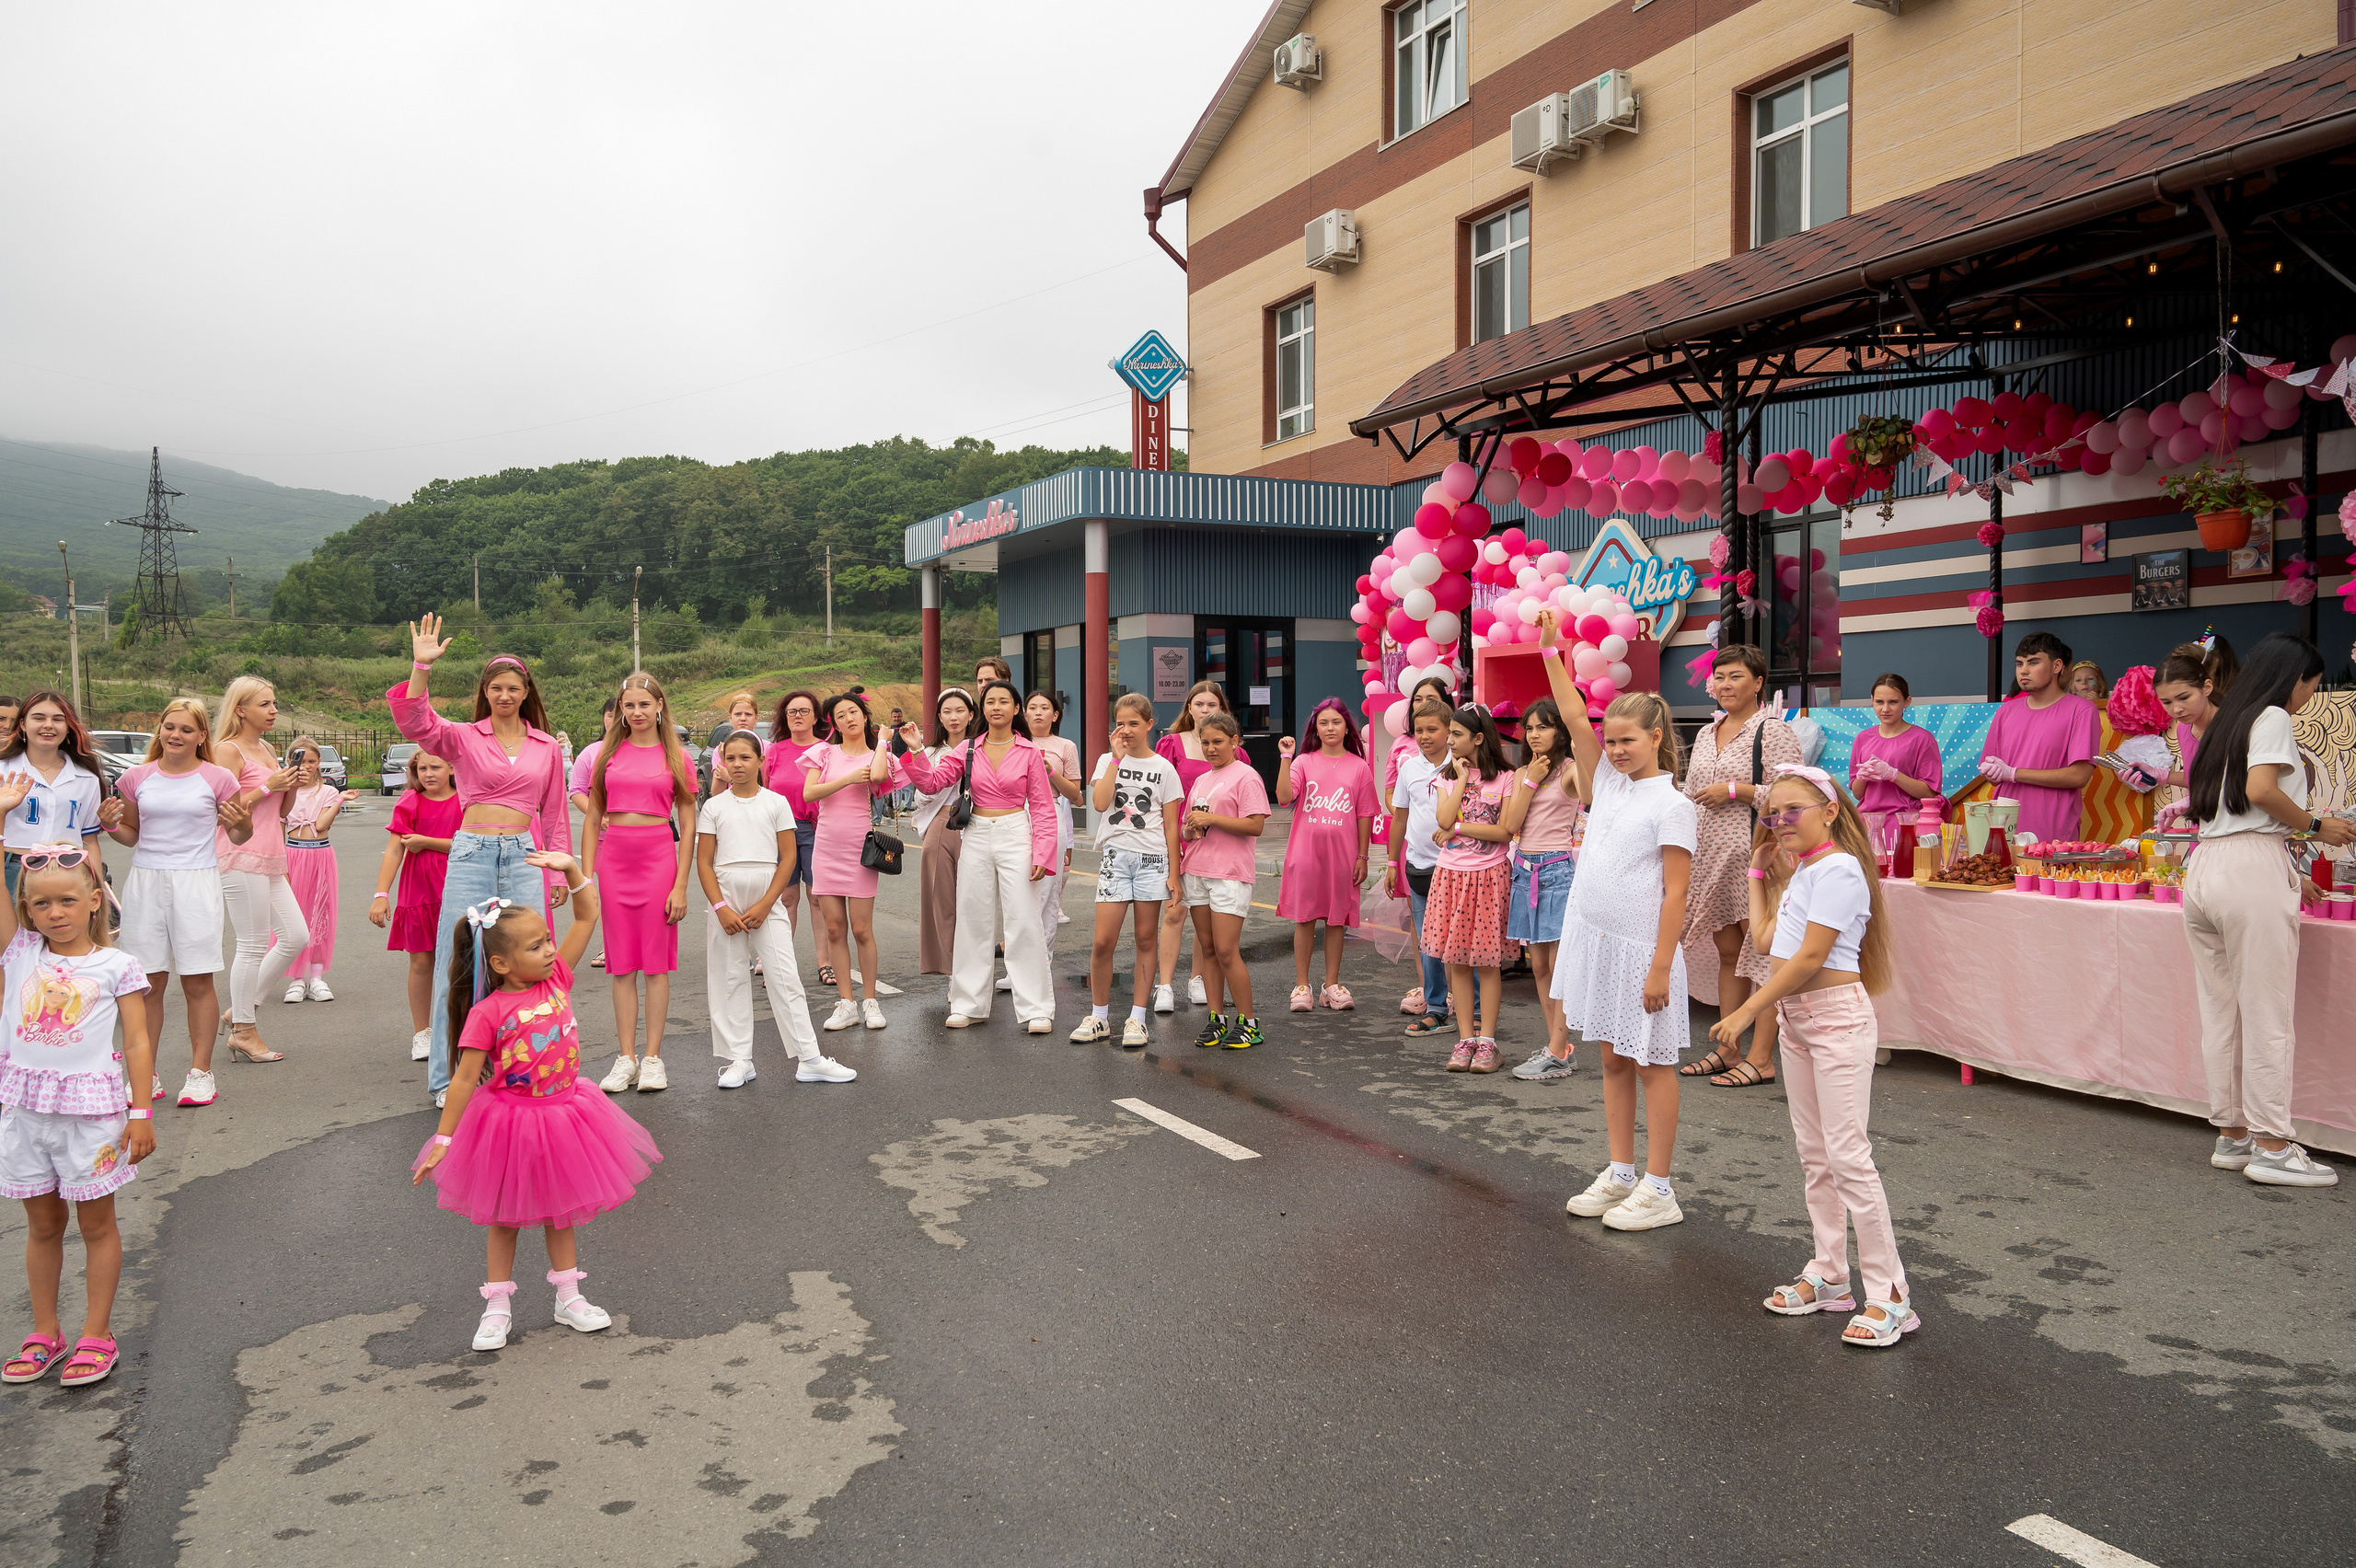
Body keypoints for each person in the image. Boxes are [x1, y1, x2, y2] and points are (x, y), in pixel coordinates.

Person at [412, 860, 662, 1352]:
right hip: (512, 1122)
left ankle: (568, 1297)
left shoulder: (557, 980)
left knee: (560, 1211)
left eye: (547, 941)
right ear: (501, 964)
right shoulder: (488, 1012)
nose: (549, 951)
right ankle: (496, 1307)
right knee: (504, 1217)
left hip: (568, 1112)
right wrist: (443, 1139)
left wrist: (571, 870)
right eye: (535, 946)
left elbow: (587, 916)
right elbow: (464, 1079)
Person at [1707, 766, 1914, 1344]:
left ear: (1830, 811)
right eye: (1774, 813)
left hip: (1836, 1021)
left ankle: (1890, 1294)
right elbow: (1769, 941)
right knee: (1815, 1155)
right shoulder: (1804, 872)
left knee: (1849, 1156)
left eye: (1793, 809)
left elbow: (1808, 959)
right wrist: (1756, 869)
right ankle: (1830, 1275)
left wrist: (1749, 1012)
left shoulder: (1842, 869)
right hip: (1801, 1023)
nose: (1781, 820)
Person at [1537, 610, 1696, 1232]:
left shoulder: (1673, 804)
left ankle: (1660, 1186)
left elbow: (1676, 894)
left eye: (1629, 740)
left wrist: (1660, 966)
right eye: (1612, 739)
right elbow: (1575, 717)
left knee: (1654, 1064)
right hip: (1596, 941)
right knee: (1610, 1059)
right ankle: (1622, 1172)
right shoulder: (1605, 780)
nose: (1616, 747)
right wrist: (1553, 654)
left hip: (1641, 953)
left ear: (1657, 738)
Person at [2177, 632, 2355, 1188]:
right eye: (2313, 685)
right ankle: (2274, 1146)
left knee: (2221, 1010)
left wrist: (2287, 867)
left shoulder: (2225, 720)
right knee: (2266, 1013)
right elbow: (2261, 792)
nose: (2310, 696)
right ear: (2295, 679)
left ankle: (2234, 1136)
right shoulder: (2273, 715)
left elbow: (2230, 810)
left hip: (2207, 868)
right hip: (2249, 869)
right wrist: (2317, 826)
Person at [390, 620, 573, 1110]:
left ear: (526, 691)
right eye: (496, 688)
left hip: (524, 855)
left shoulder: (547, 747)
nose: (505, 695)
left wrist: (557, 870)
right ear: (485, 692)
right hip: (470, 851)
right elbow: (415, 722)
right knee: (460, 962)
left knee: (530, 959)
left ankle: (527, 1065)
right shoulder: (463, 737)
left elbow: (554, 815)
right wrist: (421, 666)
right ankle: (446, 1080)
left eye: (514, 688)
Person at [0, 843, 154, 1389]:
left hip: (90, 1117)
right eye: (40, 905)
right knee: (42, 1225)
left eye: (67, 900)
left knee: (95, 1224)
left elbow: (137, 1043)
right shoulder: (19, 954)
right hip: (24, 1113)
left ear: (94, 900)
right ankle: (45, 1331)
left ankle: (97, 1332)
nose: (55, 913)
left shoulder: (117, 966)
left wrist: (141, 1112)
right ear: (27, 910)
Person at [98, 698, 251, 1109]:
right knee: (147, 983)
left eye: (186, 729)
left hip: (195, 882)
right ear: (160, 731)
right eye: (169, 727)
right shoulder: (135, 777)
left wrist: (242, 825)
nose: (176, 735)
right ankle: (143, 1075)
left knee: (197, 980)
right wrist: (111, 825)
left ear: (203, 736)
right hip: (146, 881)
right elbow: (131, 834)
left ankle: (200, 1073)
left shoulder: (218, 778)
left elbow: (238, 836)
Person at [697, 732, 855, 1089]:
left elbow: (788, 858)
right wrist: (720, 906)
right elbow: (704, 863)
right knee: (729, 977)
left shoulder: (776, 803)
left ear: (760, 761)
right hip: (725, 892)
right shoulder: (714, 806)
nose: (738, 765)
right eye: (731, 758)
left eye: (745, 758)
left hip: (768, 894)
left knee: (784, 974)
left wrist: (768, 903)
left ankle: (810, 1058)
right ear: (723, 762)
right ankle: (740, 1059)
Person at [897, 682, 1058, 1031]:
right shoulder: (969, 748)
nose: (996, 707)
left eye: (1004, 701)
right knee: (973, 919)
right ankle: (968, 1004)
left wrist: (1044, 854)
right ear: (982, 710)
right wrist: (915, 751)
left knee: (1023, 921)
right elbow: (931, 783)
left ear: (1017, 709)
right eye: (990, 702)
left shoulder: (1030, 752)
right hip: (976, 834)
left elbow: (1044, 808)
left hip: (1017, 832)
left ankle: (1036, 1009)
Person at [1679, 647, 1801, 1090]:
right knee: (1729, 953)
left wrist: (1738, 789)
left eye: (1735, 677)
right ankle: (1727, 1048)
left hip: (1758, 856)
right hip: (1712, 857)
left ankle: (1762, 1058)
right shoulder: (1709, 731)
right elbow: (1691, 793)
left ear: (1757, 684)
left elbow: (1796, 791)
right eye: (1719, 677)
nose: (1725, 684)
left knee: (1764, 957)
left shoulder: (1771, 730)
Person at [583, 673, 697, 1092]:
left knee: (656, 965)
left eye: (644, 705)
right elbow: (593, 818)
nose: (636, 713)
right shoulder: (606, 755)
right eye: (628, 706)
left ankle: (652, 1059)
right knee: (620, 965)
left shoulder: (677, 758)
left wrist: (681, 884)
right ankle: (625, 1057)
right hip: (614, 863)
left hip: (658, 859)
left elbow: (688, 819)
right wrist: (586, 878)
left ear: (660, 706)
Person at [1075, 694, 1184, 1047]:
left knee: (1144, 939)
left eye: (1134, 723)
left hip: (1153, 860)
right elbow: (1101, 803)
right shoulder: (1108, 760)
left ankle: (1137, 1019)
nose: (1126, 730)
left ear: (1150, 724)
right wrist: (1116, 761)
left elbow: (1170, 825)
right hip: (1115, 857)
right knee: (1102, 941)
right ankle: (1100, 1016)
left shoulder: (1165, 768)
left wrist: (1174, 872)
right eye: (1120, 723)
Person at [799, 692, 904, 1032]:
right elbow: (808, 794)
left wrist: (884, 742)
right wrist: (845, 778)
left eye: (854, 712)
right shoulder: (823, 753)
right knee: (834, 929)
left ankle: (870, 1001)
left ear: (864, 716)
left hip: (861, 850)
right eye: (841, 715)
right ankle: (846, 1004)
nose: (848, 718)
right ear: (833, 722)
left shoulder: (878, 754)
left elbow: (875, 779)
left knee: (861, 929)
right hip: (826, 847)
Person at [211, 677, 303, 1062]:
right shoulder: (226, 751)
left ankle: (240, 1009)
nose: (274, 710)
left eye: (274, 702)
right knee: (250, 944)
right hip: (239, 854)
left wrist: (291, 785)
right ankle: (244, 1030)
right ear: (240, 709)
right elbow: (219, 811)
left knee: (296, 936)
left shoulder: (266, 748)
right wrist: (269, 786)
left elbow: (281, 812)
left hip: (270, 854)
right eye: (265, 704)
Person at [1424, 707, 1520, 1072]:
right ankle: (1465, 1040)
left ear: (1478, 738)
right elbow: (1443, 819)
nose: (1449, 741)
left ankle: (1488, 1042)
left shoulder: (1507, 778)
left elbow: (1504, 832)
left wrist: (1460, 830)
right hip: (1450, 876)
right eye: (1449, 734)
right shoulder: (1447, 777)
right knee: (1456, 962)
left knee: (1487, 963)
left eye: (1456, 735)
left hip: (1490, 875)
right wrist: (1462, 780)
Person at [1273, 698, 1376, 1012]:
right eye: (1323, 723)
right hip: (1305, 853)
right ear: (1315, 729)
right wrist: (1286, 758)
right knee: (1304, 919)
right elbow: (1284, 796)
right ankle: (1301, 985)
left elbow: (1364, 814)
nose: (1330, 728)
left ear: (1347, 727)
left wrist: (1363, 857)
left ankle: (1331, 985)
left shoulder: (1359, 767)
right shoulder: (1304, 762)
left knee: (1336, 920)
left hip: (1343, 856)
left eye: (1336, 722)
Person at [1179, 712, 1270, 1050]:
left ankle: (1248, 1023)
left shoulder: (1246, 777)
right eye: (1205, 742)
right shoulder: (1202, 780)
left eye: (1218, 742)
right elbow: (1193, 827)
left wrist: (1211, 818)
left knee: (1227, 950)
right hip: (1198, 870)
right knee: (1208, 950)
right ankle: (1216, 1019)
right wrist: (1191, 829)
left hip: (1229, 874)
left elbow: (1255, 825)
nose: (1211, 748)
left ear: (1235, 741)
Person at [1506, 698, 1582, 1081]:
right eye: (1530, 728)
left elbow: (1592, 786)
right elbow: (1510, 824)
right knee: (1538, 965)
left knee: (1557, 964)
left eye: (1544, 727)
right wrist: (1532, 779)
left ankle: (1556, 1047)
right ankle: (1559, 1046)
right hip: (1523, 869)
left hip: (1556, 870)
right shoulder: (1522, 773)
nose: (1535, 734)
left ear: (1561, 731)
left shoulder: (1570, 770)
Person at [1965, 631, 2101, 846]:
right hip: (2004, 827)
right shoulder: (2005, 711)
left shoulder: (2082, 709)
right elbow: (1992, 772)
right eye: (2019, 664)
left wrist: (2014, 773)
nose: (2024, 670)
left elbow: (2079, 776)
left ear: (2057, 666)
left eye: (2033, 662)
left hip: (2052, 833)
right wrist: (1992, 771)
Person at [372, 749, 462, 1064]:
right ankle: (422, 1032)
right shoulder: (410, 801)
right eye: (421, 768)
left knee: (461, 962)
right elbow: (394, 852)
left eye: (435, 766)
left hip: (457, 887)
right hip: (419, 892)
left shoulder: (466, 800)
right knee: (421, 963)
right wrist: (381, 894)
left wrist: (427, 842)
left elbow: (472, 842)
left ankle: (458, 1028)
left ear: (451, 768)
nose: (428, 773)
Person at [1382, 674, 1461, 1023]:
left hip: (1458, 866)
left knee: (1460, 939)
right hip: (1418, 867)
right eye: (1419, 731)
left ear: (1449, 731)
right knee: (1428, 942)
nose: (1426, 737)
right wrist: (1391, 863)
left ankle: (1471, 1009)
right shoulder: (1409, 767)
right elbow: (1399, 818)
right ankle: (1436, 1006)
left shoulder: (1462, 768)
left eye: (1433, 730)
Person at [1154, 681, 1232, 1014]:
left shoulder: (1231, 750)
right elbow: (1156, 790)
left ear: (1221, 709)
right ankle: (1166, 985)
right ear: (1189, 709)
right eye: (1198, 704)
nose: (1205, 709)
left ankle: (1197, 978)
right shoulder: (1170, 744)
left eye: (1212, 704)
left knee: (1207, 914)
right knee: (1175, 911)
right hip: (1178, 836)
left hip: (1217, 842)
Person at [1, 690, 106, 899]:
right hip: (12, 871)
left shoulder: (86, 778)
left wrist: (97, 885)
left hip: (69, 871)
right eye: (39, 718)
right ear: (22, 724)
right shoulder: (4, 771)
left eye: (58, 719)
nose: (48, 725)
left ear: (68, 728)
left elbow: (89, 841)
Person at [279, 737, 355, 1004]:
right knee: (294, 915)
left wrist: (339, 800)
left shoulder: (328, 792)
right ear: (290, 761)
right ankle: (296, 979)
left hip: (320, 854)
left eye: (312, 761)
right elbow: (277, 827)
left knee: (320, 913)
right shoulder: (284, 791)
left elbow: (321, 825)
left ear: (319, 762)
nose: (306, 766)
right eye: (300, 760)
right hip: (292, 854)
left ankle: (316, 977)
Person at [913, 687, 977, 977]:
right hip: (942, 822)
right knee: (941, 901)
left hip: (978, 823)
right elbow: (920, 797)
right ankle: (952, 972)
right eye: (947, 712)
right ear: (939, 716)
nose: (954, 717)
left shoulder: (984, 747)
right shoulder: (929, 752)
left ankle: (976, 969)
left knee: (975, 901)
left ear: (972, 714)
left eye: (960, 710)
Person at [763, 688, 826, 967]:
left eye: (804, 711)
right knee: (786, 897)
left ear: (816, 718)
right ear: (784, 718)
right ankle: (781, 964)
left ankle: (825, 962)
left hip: (816, 829)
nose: (797, 716)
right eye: (792, 712)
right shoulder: (774, 752)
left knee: (817, 898)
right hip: (780, 832)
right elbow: (763, 793)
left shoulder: (826, 751)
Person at [1023, 691, 1083, 963]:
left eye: (1044, 708)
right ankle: (1018, 965)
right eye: (1032, 707)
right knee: (1020, 892)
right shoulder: (1014, 741)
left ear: (1055, 715)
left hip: (1052, 808)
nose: (1038, 712)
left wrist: (1049, 769)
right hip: (1017, 812)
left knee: (1048, 891)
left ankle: (1041, 963)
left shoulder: (1066, 746)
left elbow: (1075, 794)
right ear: (1023, 713)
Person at [1847, 674, 1945, 826]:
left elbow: (1929, 793)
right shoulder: (1862, 738)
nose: (1885, 709)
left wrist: (1893, 774)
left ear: (1907, 702)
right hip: (1867, 824)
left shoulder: (1922, 739)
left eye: (1893, 702)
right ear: (1872, 700)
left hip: (1905, 823)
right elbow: (1858, 794)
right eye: (1879, 702)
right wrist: (1862, 778)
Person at [569, 698, 618, 971]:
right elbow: (576, 791)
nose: (614, 720)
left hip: (640, 840)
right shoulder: (592, 753)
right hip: (603, 840)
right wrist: (600, 818)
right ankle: (611, 946)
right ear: (603, 718)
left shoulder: (642, 749)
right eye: (610, 715)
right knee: (609, 894)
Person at [2154, 639, 2233, 806]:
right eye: (2166, 702)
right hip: (2202, 824)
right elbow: (2194, 781)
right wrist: (2158, 774)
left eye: (2184, 698)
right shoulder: (2183, 728)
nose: (2176, 709)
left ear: (2206, 687)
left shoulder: (2233, 726)